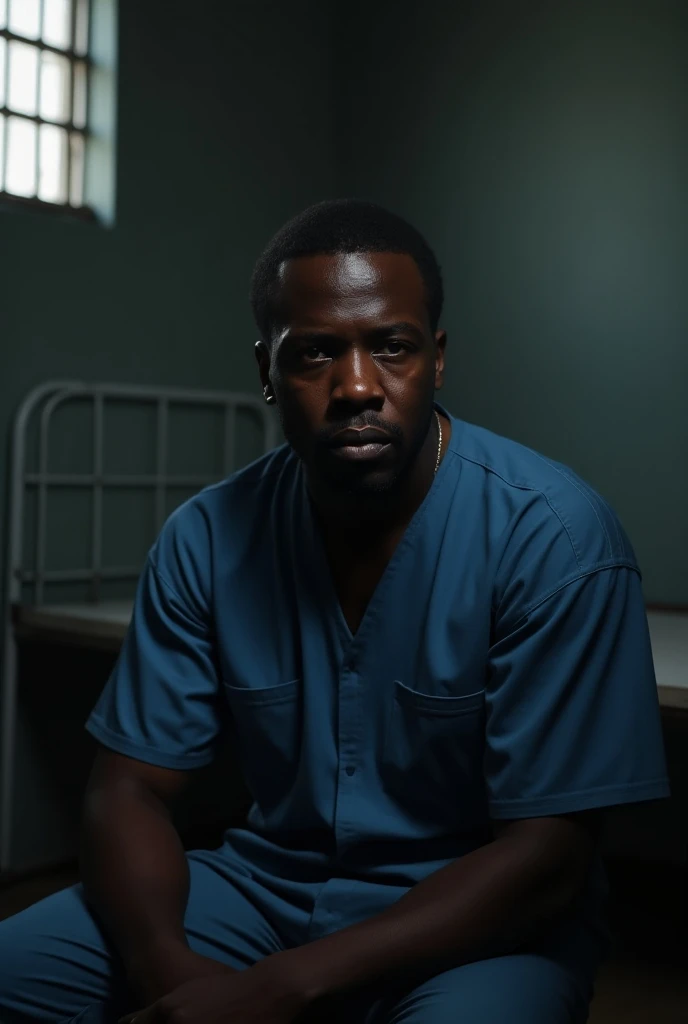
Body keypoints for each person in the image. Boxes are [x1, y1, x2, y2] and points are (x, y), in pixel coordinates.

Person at [0, 199, 670, 1024]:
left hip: (478, 929)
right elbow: (127, 791)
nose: (357, 386)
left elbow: (548, 860)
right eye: (315, 353)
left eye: (392, 346)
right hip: (262, 892)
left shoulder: (557, 538)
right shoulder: (206, 538)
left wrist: (275, 991)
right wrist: (168, 974)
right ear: (264, 372)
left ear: (438, 359)